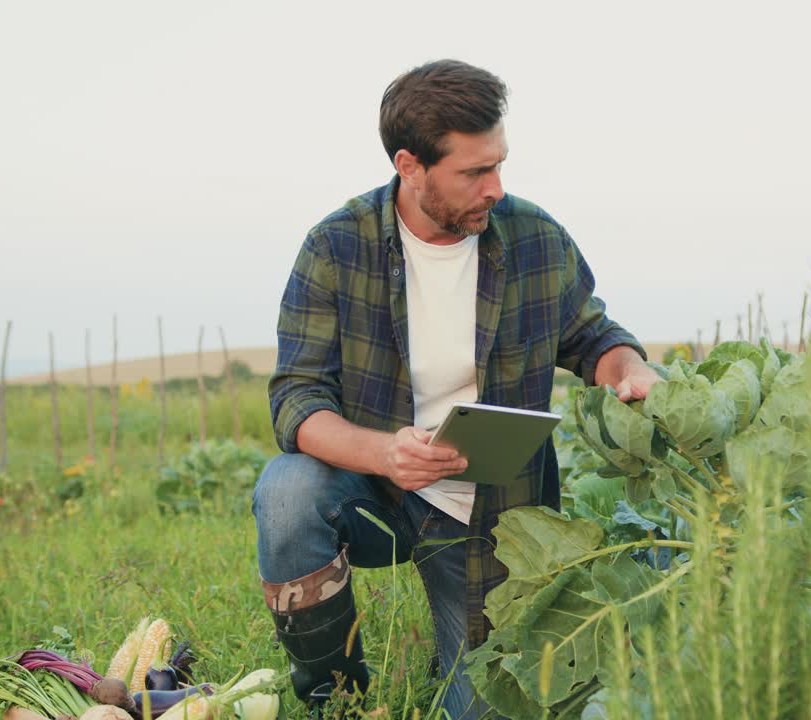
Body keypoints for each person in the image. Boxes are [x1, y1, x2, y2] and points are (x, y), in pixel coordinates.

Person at [253, 58, 661, 718]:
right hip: (374, 488)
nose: (495, 187)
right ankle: (339, 698)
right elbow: (297, 401)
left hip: (490, 509)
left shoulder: (535, 237)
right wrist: (387, 454)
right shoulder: (336, 246)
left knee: (484, 707)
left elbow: (593, 337)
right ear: (410, 165)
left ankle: (450, 659)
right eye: (474, 172)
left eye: (499, 164)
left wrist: (629, 370)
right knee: (289, 491)